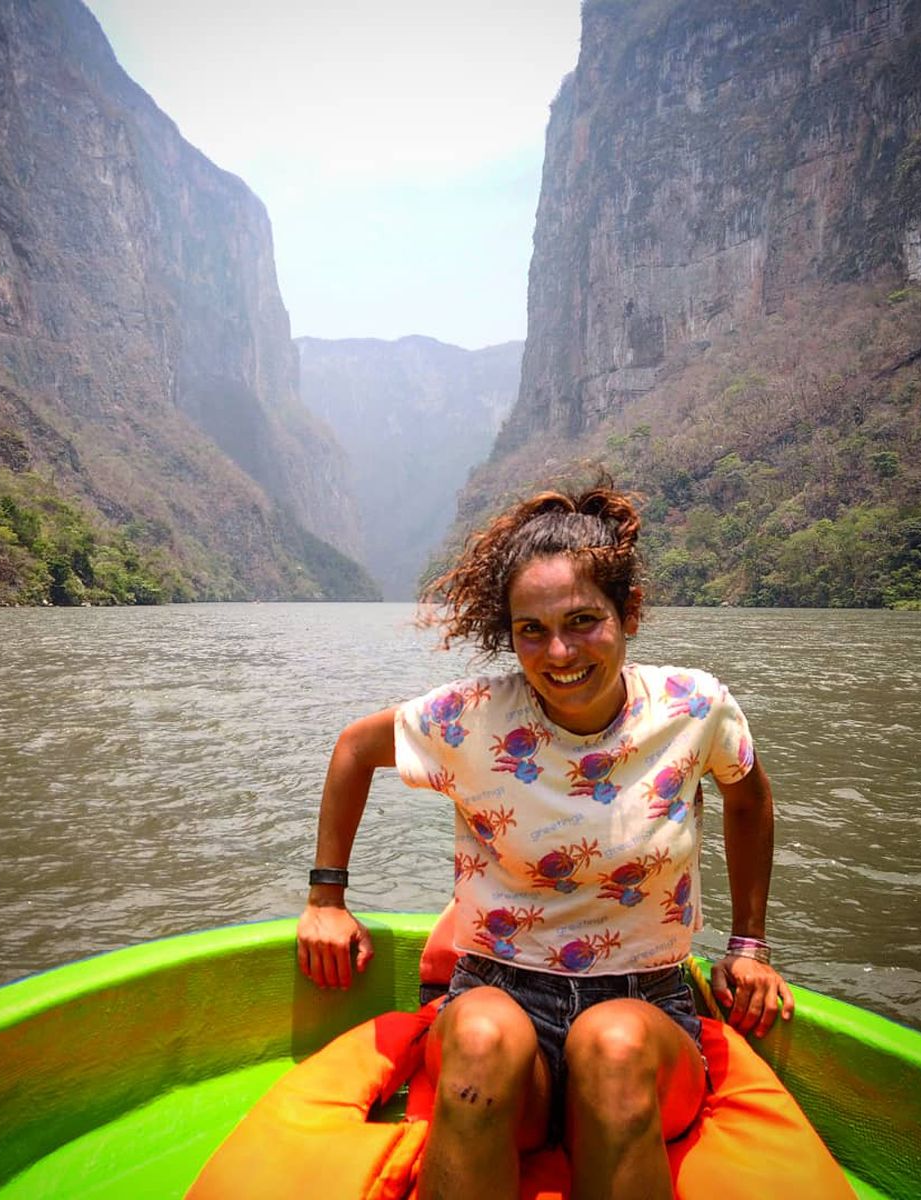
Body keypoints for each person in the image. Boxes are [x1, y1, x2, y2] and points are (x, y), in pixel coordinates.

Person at [296, 480, 794, 1200]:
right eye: (531, 629)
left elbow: (747, 795)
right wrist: (326, 899)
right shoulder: (472, 719)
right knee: (478, 1040)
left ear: (627, 615)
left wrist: (749, 945)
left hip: (648, 1008)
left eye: (584, 620)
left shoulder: (694, 707)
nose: (559, 652)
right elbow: (352, 750)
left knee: (613, 1048)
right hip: (500, 996)